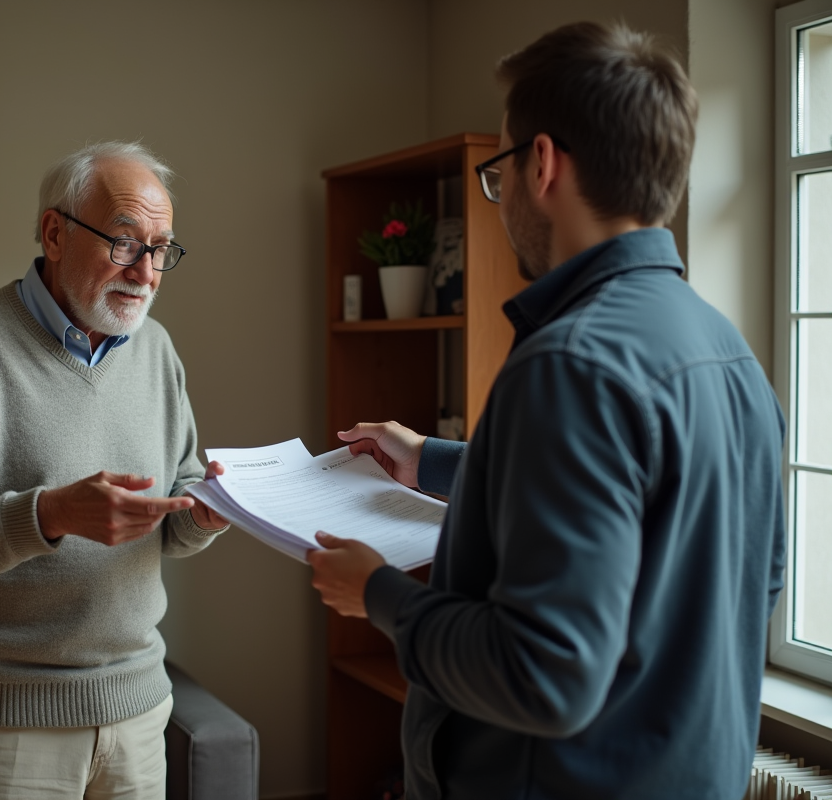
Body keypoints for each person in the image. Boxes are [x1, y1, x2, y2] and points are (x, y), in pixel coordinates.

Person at [307, 21, 786, 800]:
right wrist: (430, 458)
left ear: (542, 162)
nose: (497, 202)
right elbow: (720, 564)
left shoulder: (568, 364)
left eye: (496, 173)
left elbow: (544, 674)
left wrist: (380, 595)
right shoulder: (730, 354)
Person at [0, 141, 229, 800]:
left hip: (137, 714)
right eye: (125, 244)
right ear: (54, 233)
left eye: (162, 249)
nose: (147, 272)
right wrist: (51, 515)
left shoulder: (156, 351)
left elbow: (170, 517)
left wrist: (204, 514)